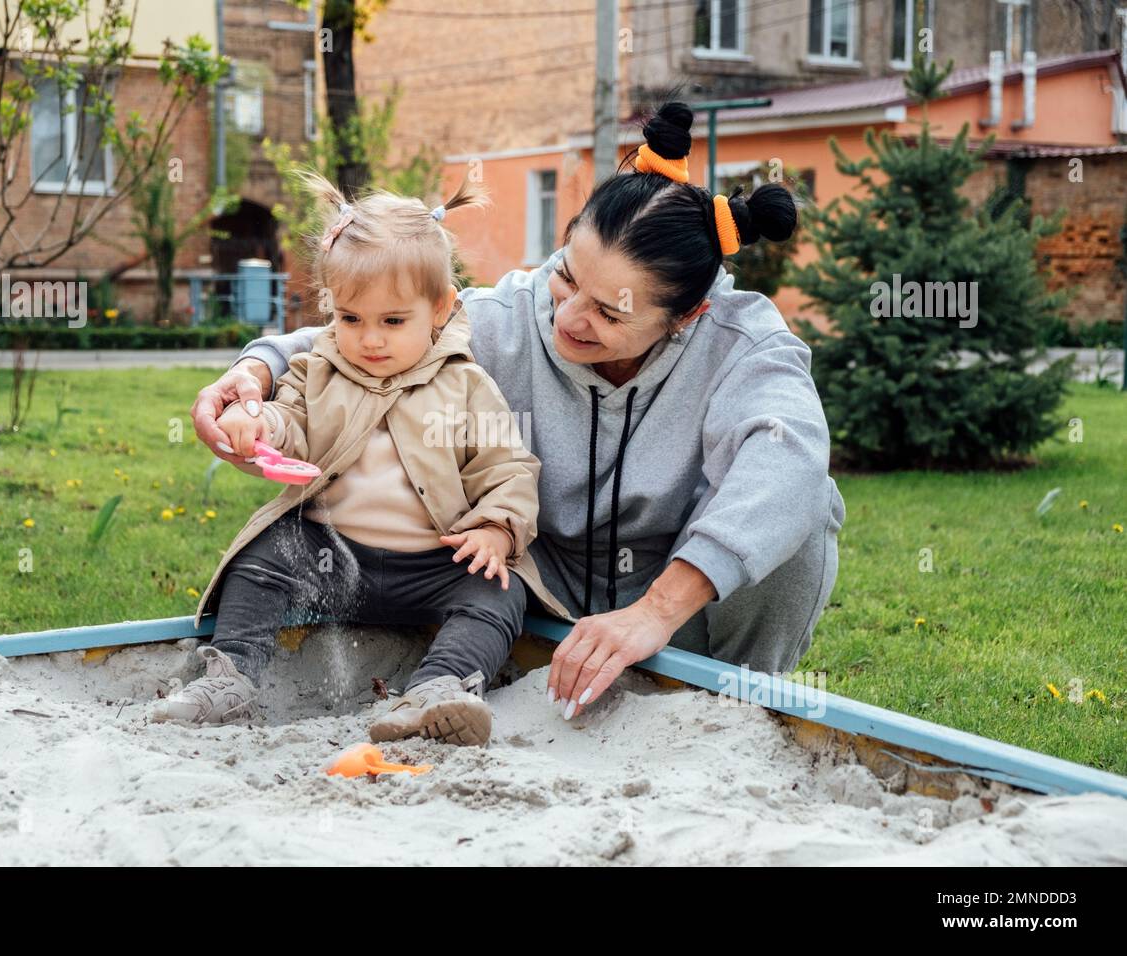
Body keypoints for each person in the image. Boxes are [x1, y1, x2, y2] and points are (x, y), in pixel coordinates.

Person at [192, 101, 846, 723]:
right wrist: (255, 372)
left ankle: (736, 705)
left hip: (680, 601)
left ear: (686, 317)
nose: (566, 316)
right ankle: (476, 668)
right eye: (566, 275)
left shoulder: (744, 343)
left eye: (608, 311)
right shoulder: (510, 315)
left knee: (805, 507)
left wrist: (655, 610)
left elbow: (786, 460)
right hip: (540, 579)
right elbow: (381, 336)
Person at [154, 169, 571, 747]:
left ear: (441, 309)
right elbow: (290, 420)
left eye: (392, 321)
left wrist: (498, 529)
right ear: (331, 308)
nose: (370, 339)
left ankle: (439, 688)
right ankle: (230, 678)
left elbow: (508, 468)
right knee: (260, 559)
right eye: (351, 319)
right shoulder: (318, 369)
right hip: (329, 552)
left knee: (498, 592)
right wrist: (258, 423)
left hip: (433, 562)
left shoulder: (466, 384)